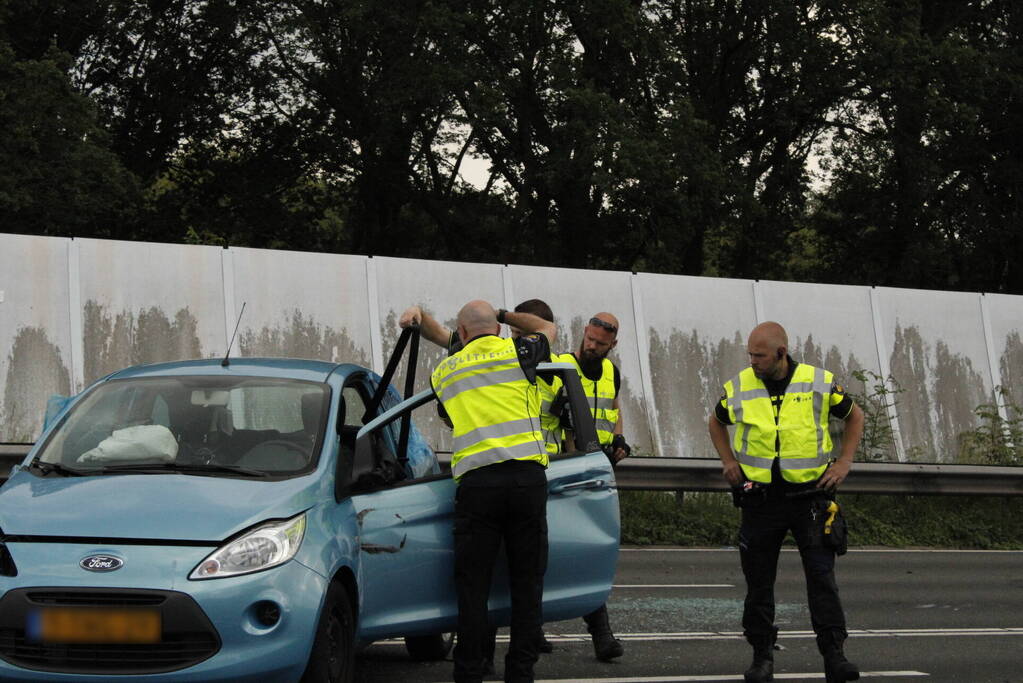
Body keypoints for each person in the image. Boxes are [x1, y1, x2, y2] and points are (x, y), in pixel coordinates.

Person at [400, 300, 561, 670]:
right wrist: (504, 314)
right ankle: (520, 672)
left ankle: (470, 669)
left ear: (463, 333)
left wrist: (421, 316)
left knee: (473, 587)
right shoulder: (520, 351)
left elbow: (449, 415)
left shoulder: (445, 371)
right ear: (499, 329)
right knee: (527, 584)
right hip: (526, 483)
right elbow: (547, 328)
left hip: (478, 487)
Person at [707, 321, 865, 683]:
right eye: (750, 354)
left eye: (759, 356)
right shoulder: (740, 385)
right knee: (759, 584)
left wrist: (844, 462)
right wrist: (728, 462)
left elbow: (855, 415)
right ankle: (761, 657)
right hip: (761, 501)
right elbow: (715, 422)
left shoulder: (817, 381)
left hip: (810, 498)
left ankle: (835, 656)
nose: (752, 361)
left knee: (822, 580)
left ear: (781, 353)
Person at [554, 313, 629, 661]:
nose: (592, 346)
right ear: (583, 333)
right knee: (562, 552)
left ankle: (601, 635)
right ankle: (600, 634)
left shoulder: (611, 371)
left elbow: (614, 407)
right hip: (568, 470)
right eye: (589, 339)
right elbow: (561, 422)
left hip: (598, 469)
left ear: (612, 345)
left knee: (590, 552)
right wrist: (574, 462)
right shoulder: (563, 366)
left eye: (600, 344)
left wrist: (619, 440)